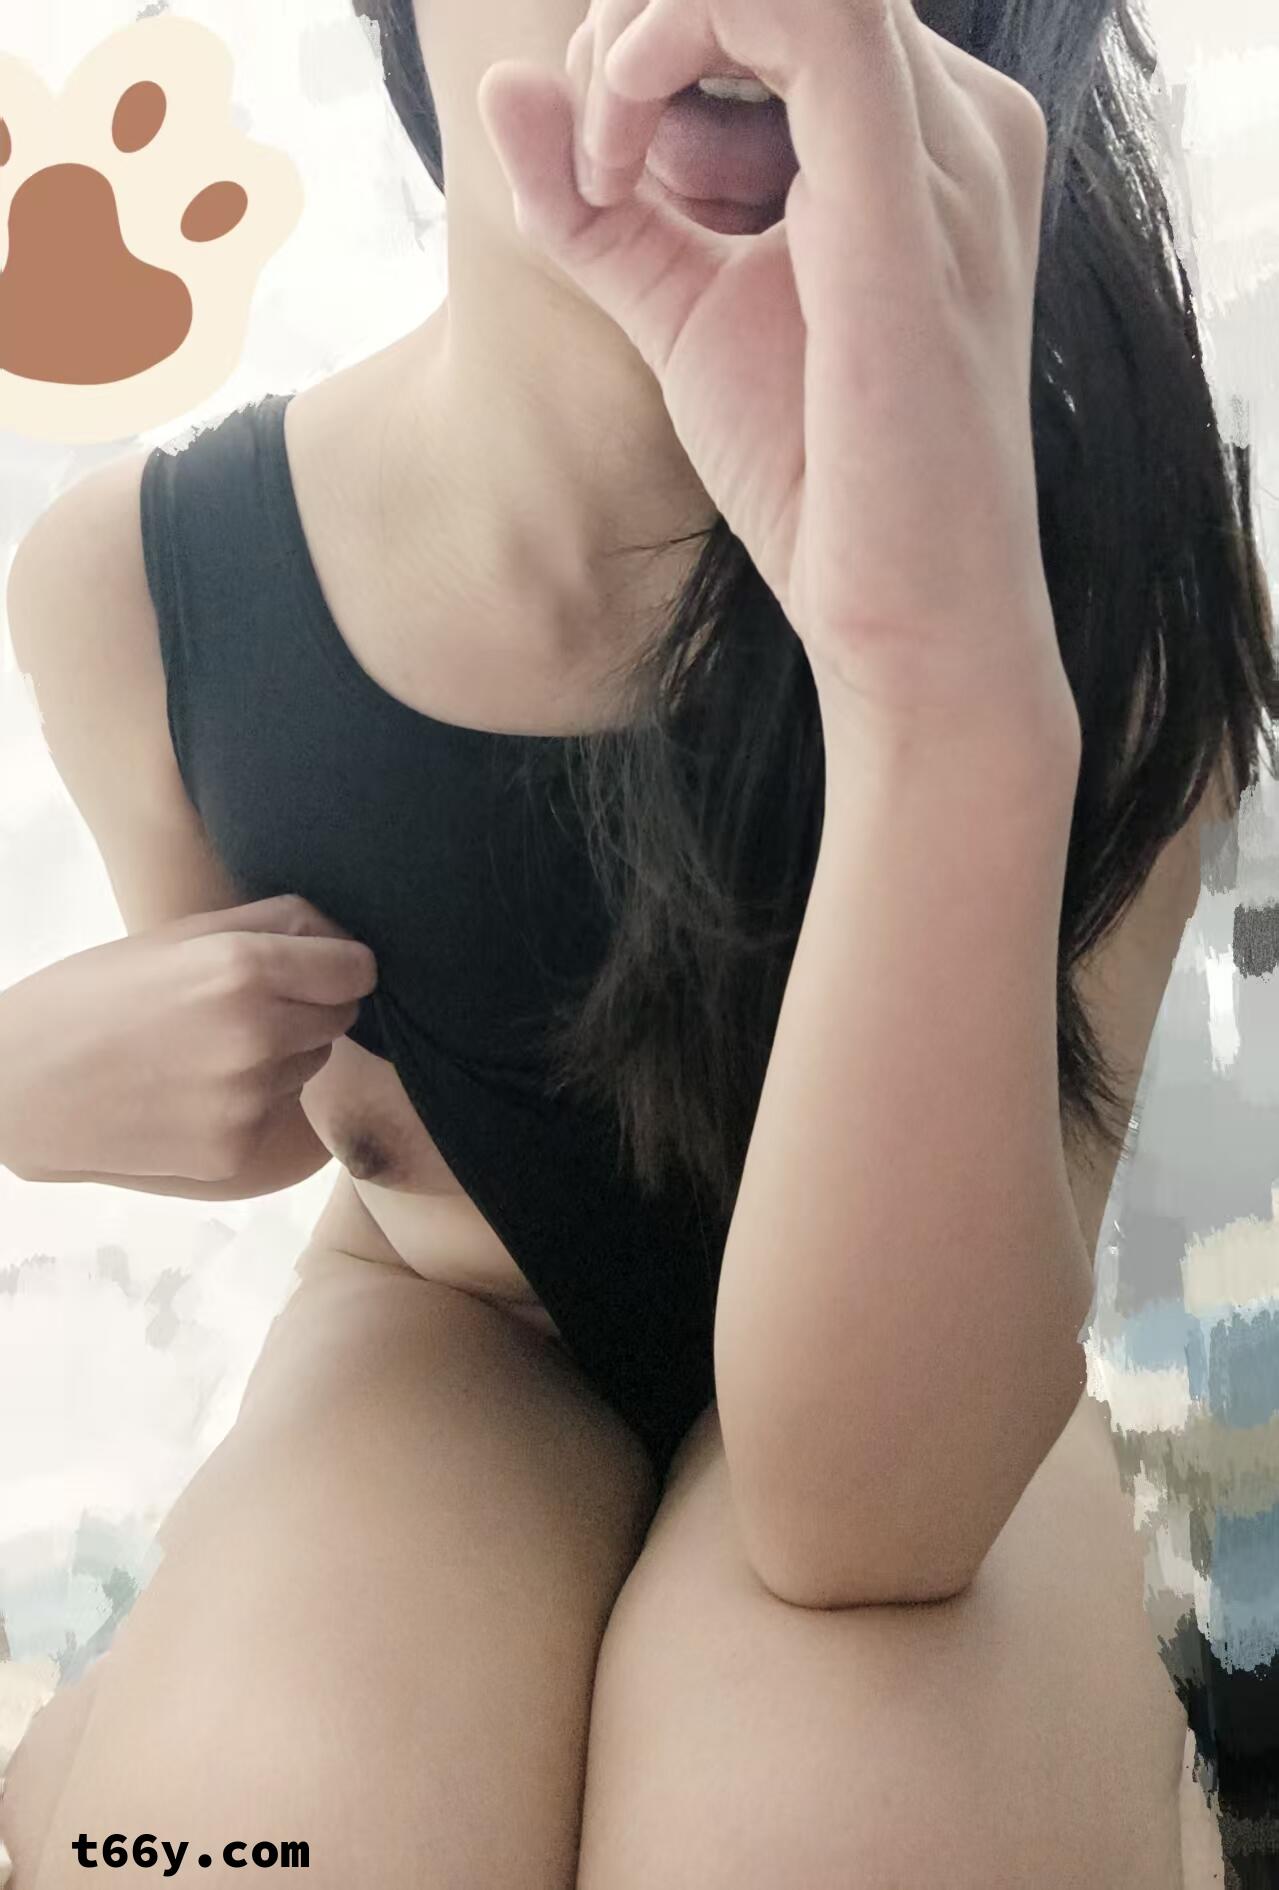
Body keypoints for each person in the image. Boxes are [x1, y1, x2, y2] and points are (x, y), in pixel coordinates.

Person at [0, 0, 1271, 1884]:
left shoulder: (1120, 588)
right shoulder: (143, 588)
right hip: (451, 1324)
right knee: (272, 1825)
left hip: (922, 1394)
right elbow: (272, 1096)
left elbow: (873, 1512)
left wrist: (942, 691)